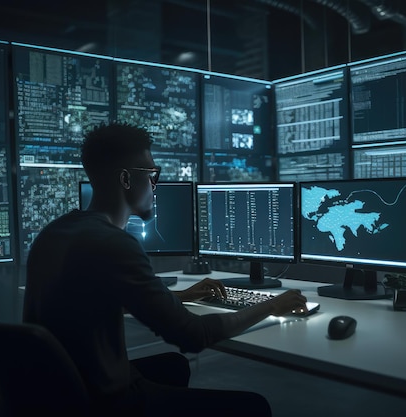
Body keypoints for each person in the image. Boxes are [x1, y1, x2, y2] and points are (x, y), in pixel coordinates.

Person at [22, 122, 309, 417]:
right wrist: (273, 305)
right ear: (126, 179)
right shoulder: (115, 244)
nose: (155, 185)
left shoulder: (54, 233)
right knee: (254, 407)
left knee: (174, 366)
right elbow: (193, 336)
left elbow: (85, 303)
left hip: (54, 394)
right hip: (103, 403)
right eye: (152, 174)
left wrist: (179, 296)